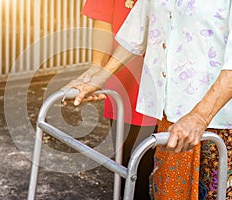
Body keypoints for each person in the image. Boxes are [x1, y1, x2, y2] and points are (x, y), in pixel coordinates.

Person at [64, 0, 232, 199]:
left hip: (217, 122)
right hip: (171, 118)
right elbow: (136, 33)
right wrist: (98, 78)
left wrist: (199, 117)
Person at [63, 0, 157, 199]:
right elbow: (103, 17)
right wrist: (98, 67)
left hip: (167, 78)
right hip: (123, 78)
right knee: (129, 166)